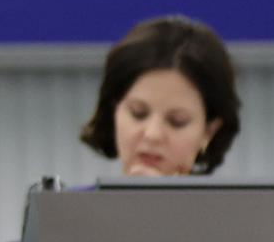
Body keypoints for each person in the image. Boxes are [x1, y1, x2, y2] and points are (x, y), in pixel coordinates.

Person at [79, 14, 242, 176]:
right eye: (138, 114)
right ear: (114, 110)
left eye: (177, 122)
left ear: (209, 131)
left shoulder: (241, 203)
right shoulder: (66, 202)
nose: (152, 135)